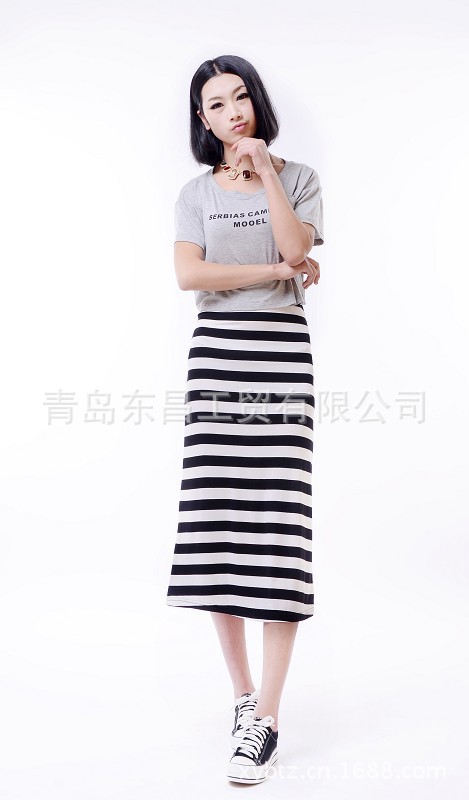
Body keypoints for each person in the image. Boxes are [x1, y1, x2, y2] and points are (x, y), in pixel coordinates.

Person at [166, 54, 324, 784]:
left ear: (255, 103)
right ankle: (241, 699)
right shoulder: (195, 193)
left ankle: (268, 717)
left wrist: (264, 174)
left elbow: (297, 246)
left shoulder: (299, 178)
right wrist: (275, 274)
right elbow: (189, 275)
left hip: (280, 359)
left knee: (277, 529)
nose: (232, 113)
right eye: (216, 105)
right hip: (217, 360)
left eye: (240, 98)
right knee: (220, 526)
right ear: (202, 120)